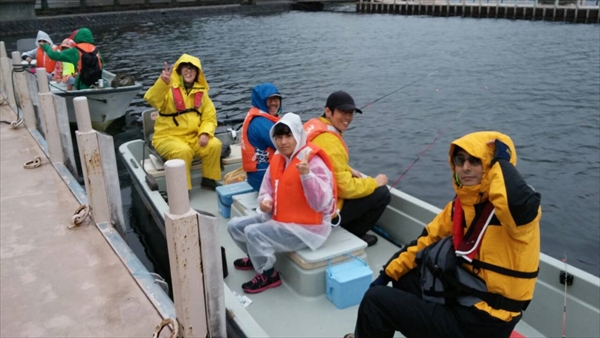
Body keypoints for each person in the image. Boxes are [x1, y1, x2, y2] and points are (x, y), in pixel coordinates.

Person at [345, 131, 542, 338]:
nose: (465, 167)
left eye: (475, 160)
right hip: (466, 302)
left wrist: (502, 161)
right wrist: (386, 275)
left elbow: (519, 203)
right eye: (460, 160)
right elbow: (424, 242)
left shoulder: (518, 215)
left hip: (487, 322)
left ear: (490, 165)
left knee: (377, 301)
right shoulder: (460, 207)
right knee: (405, 278)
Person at [228, 113, 336, 294]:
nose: (283, 142)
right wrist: (265, 202)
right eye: (279, 137)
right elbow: (266, 190)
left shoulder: (313, 161)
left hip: (308, 228)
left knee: (253, 232)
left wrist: (307, 176)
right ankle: (254, 257)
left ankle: (268, 275)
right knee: (234, 225)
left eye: (288, 136)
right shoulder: (278, 159)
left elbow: (321, 203)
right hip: (281, 218)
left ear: (298, 135)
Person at [304, 91, 391, 247]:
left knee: (358, 180)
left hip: (306, 203)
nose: (348, 118)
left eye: (351, 113)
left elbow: (324, 158)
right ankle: (354, 232)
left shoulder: (313, 126)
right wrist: (375, 182)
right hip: (323, 214)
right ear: (328, 111)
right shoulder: (331, 141)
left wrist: (347, 169)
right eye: (343, 112)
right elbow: (344, 189)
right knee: (383, 193)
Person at [144, 54, 222, 191]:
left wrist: (205, 133)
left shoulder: (202, 93)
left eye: (193, 68)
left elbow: (209, 117)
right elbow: (151, 99)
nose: (189, 71)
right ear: (179, 70)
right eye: (185, 68)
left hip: (192, 138)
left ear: (198, 73)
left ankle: (209, 179)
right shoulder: (168, 88)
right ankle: (182, 190)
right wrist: (162, 83)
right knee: (183, 151)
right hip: (166, 138)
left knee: (214, 144)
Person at [241, 83, 282, 191]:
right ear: (261, 101)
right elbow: (284, 145)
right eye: (269, 100)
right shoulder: (261, 123)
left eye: (276, 99)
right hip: (263, 178)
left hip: (259, 175)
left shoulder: (264, 117)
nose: (273, 103)